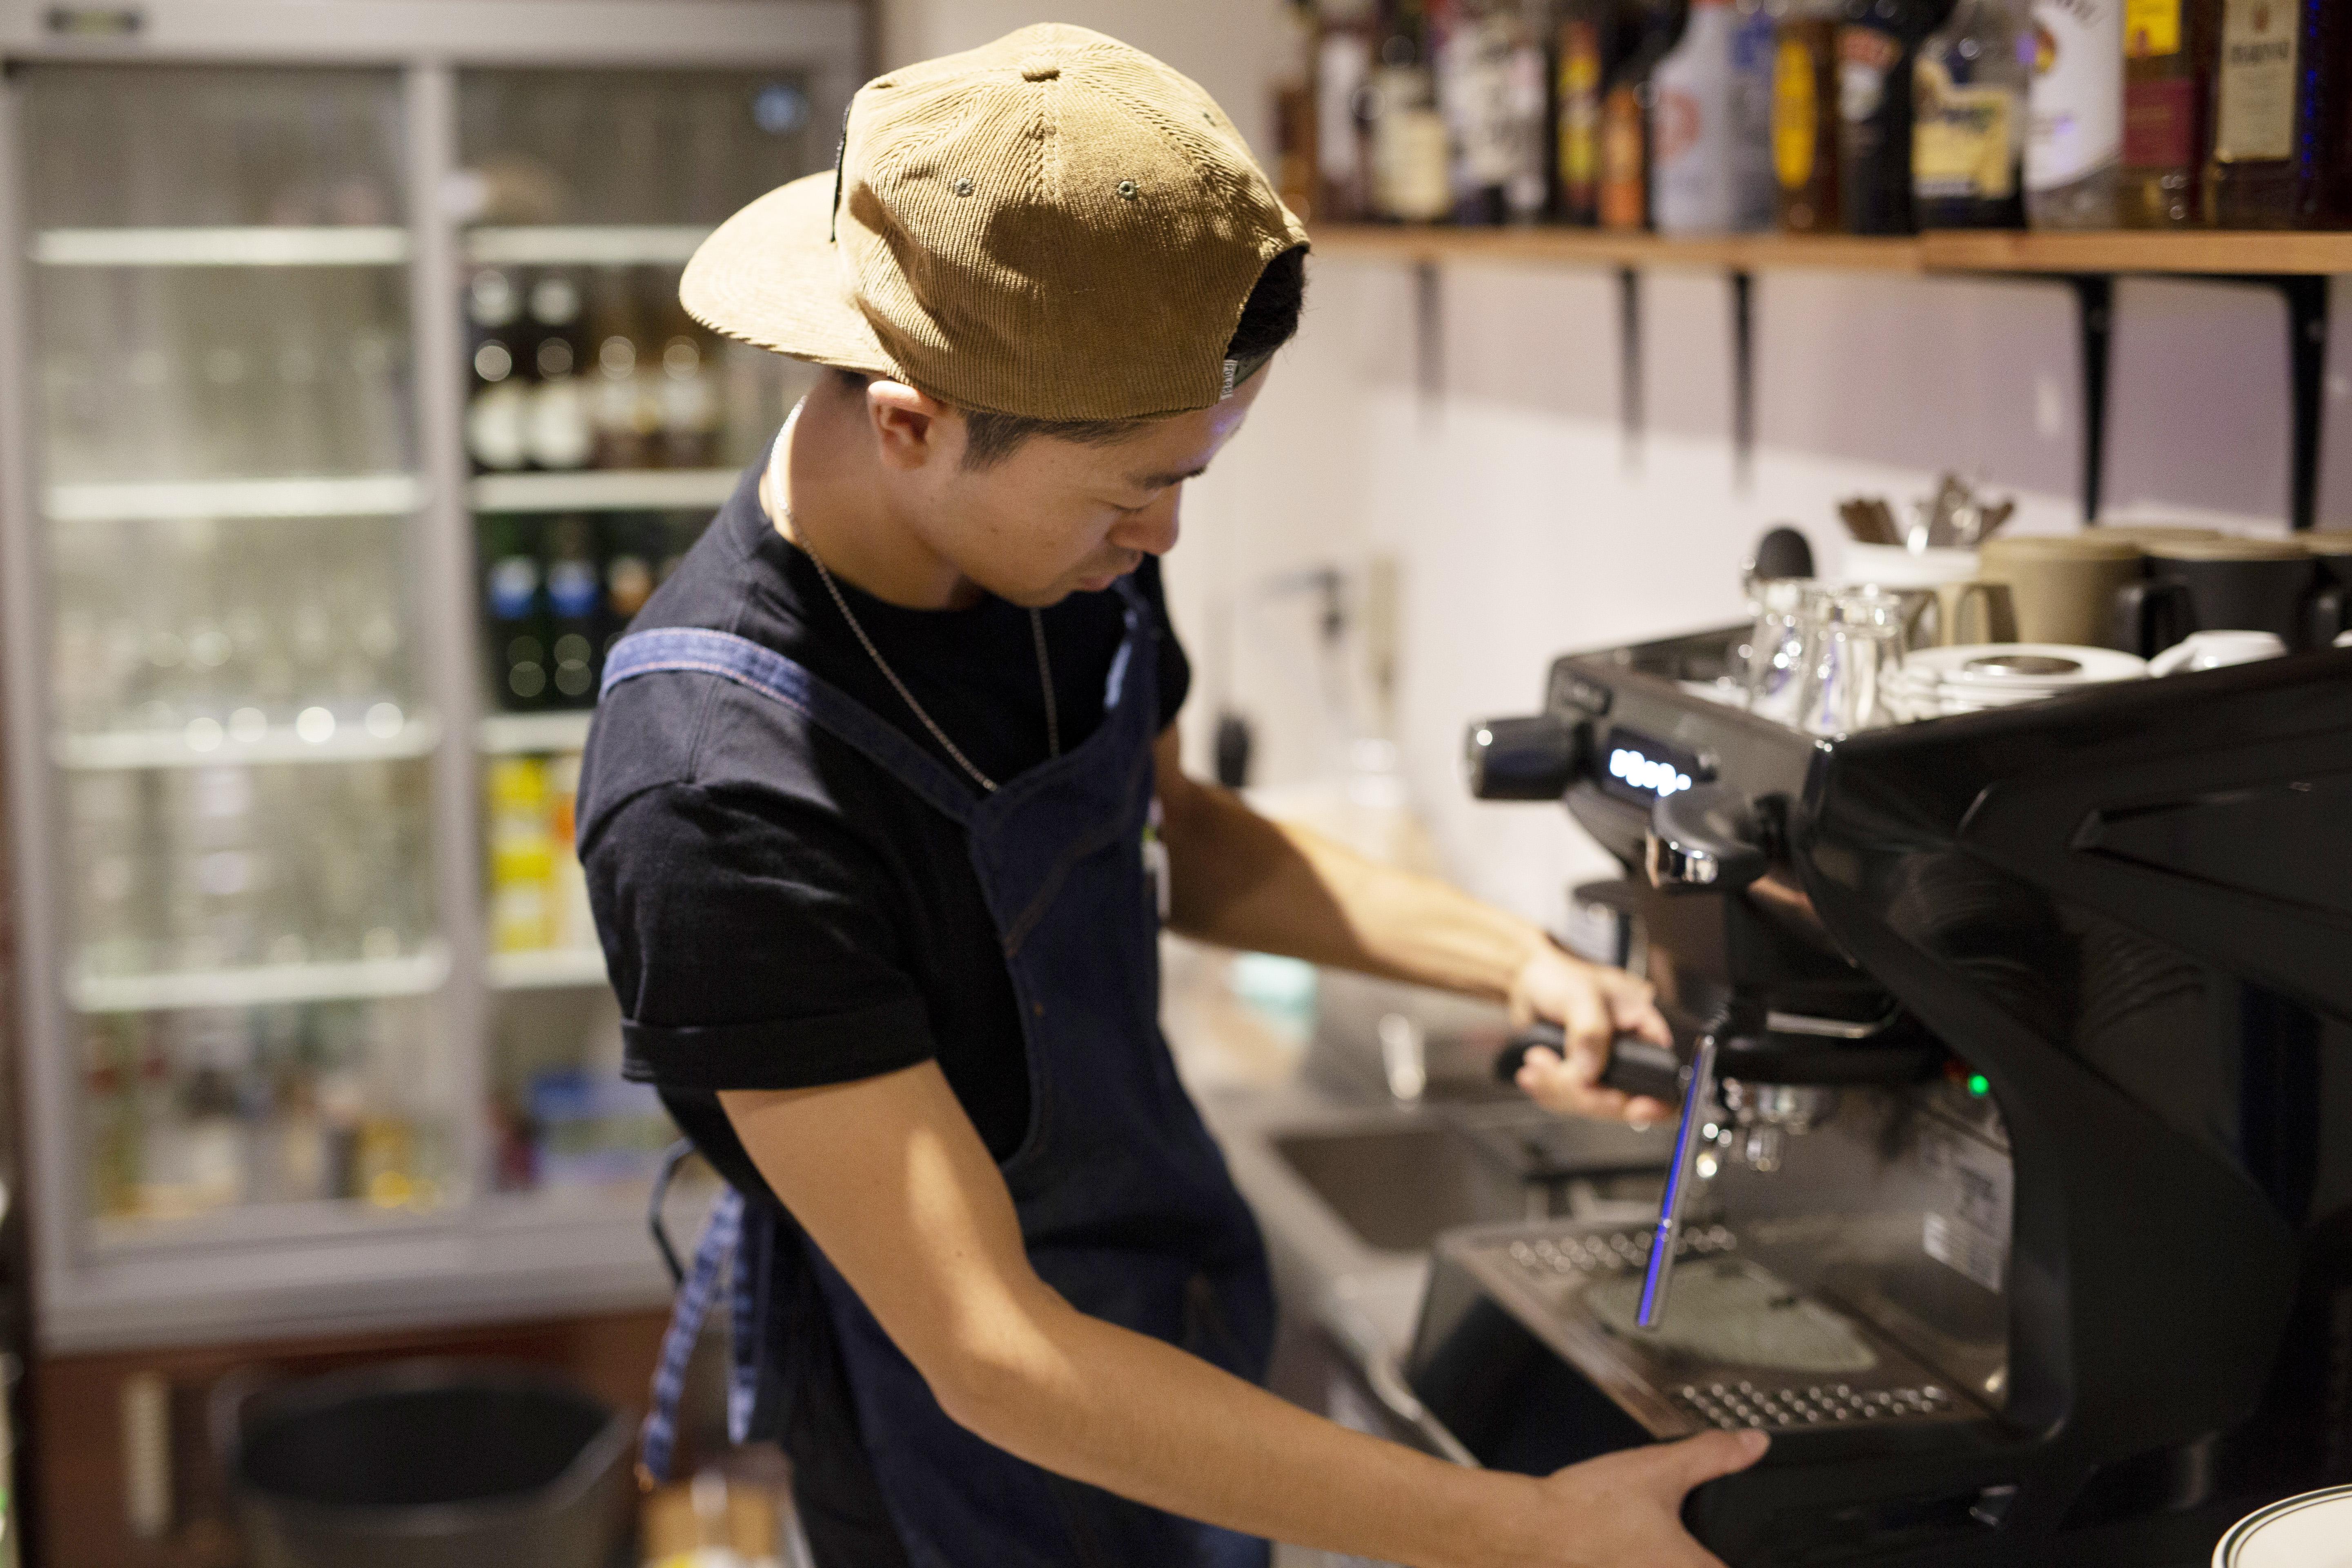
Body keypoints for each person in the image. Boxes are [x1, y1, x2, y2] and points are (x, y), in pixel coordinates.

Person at [579, 23, 1763, 1568]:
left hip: (1174, 1320)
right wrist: (1514, 1530)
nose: (1167, 539)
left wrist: (1522, 964)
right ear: (912, 423)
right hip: (968, 1450)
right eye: (1138, 490)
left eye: (1194, 472)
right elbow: (991, 1349)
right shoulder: (714, 796)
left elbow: (1176, 838)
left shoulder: (1053, 544)